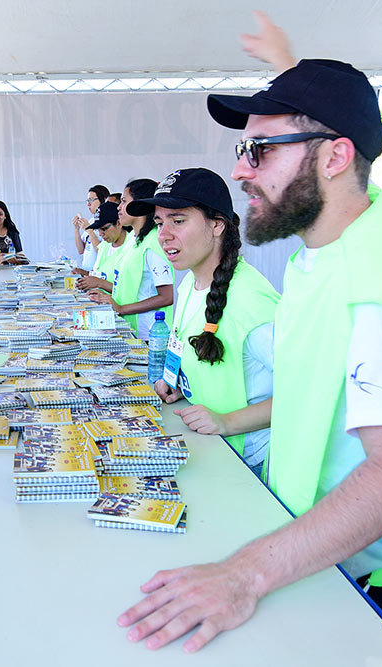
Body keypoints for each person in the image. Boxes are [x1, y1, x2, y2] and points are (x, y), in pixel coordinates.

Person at [119, 13, 382, 652]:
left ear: (335, 156)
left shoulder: (375, 270)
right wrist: (292, 73)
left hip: (358, 563)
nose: (242, 171)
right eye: (245, 149)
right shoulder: (329, 241)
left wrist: (245, 574)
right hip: (302, 527)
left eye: (258, 151)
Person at [138, 168, 280, 479]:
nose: (163, 235)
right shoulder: (190, 282)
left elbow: (306, 393)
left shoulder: (253, 302)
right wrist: (178, 382)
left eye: (178, 220)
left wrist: (226, 421)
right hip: (208, 449)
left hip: (247, 464)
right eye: (159, 223)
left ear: (216, 224)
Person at [88, 178, 174, 339]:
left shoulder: (154, 242)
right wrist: (107, 298)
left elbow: (167, 297)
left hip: (148, 336)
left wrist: (121, 308)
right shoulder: (133, 240)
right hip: (130, 329)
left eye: (124, 201)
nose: (119, 208)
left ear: (139, 204)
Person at [75, 201, 127, 293]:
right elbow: (100, 274)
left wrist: (100, 283)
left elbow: (129, 291)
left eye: (104, 229)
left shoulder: (131, 247)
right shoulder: (104, 246)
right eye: (97, 230)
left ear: (119, 223)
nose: (100, 234)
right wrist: (84, 273)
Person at [71, 185, 108, 273]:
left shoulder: (108, 224)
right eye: (88, 200)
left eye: (91, 200)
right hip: (86, 273)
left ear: (103, 200)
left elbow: (102, 252)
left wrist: (89, 230)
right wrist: (77, 230)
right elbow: (81, 250)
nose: (88, 204)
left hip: (98, 274)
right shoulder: (91, 221)